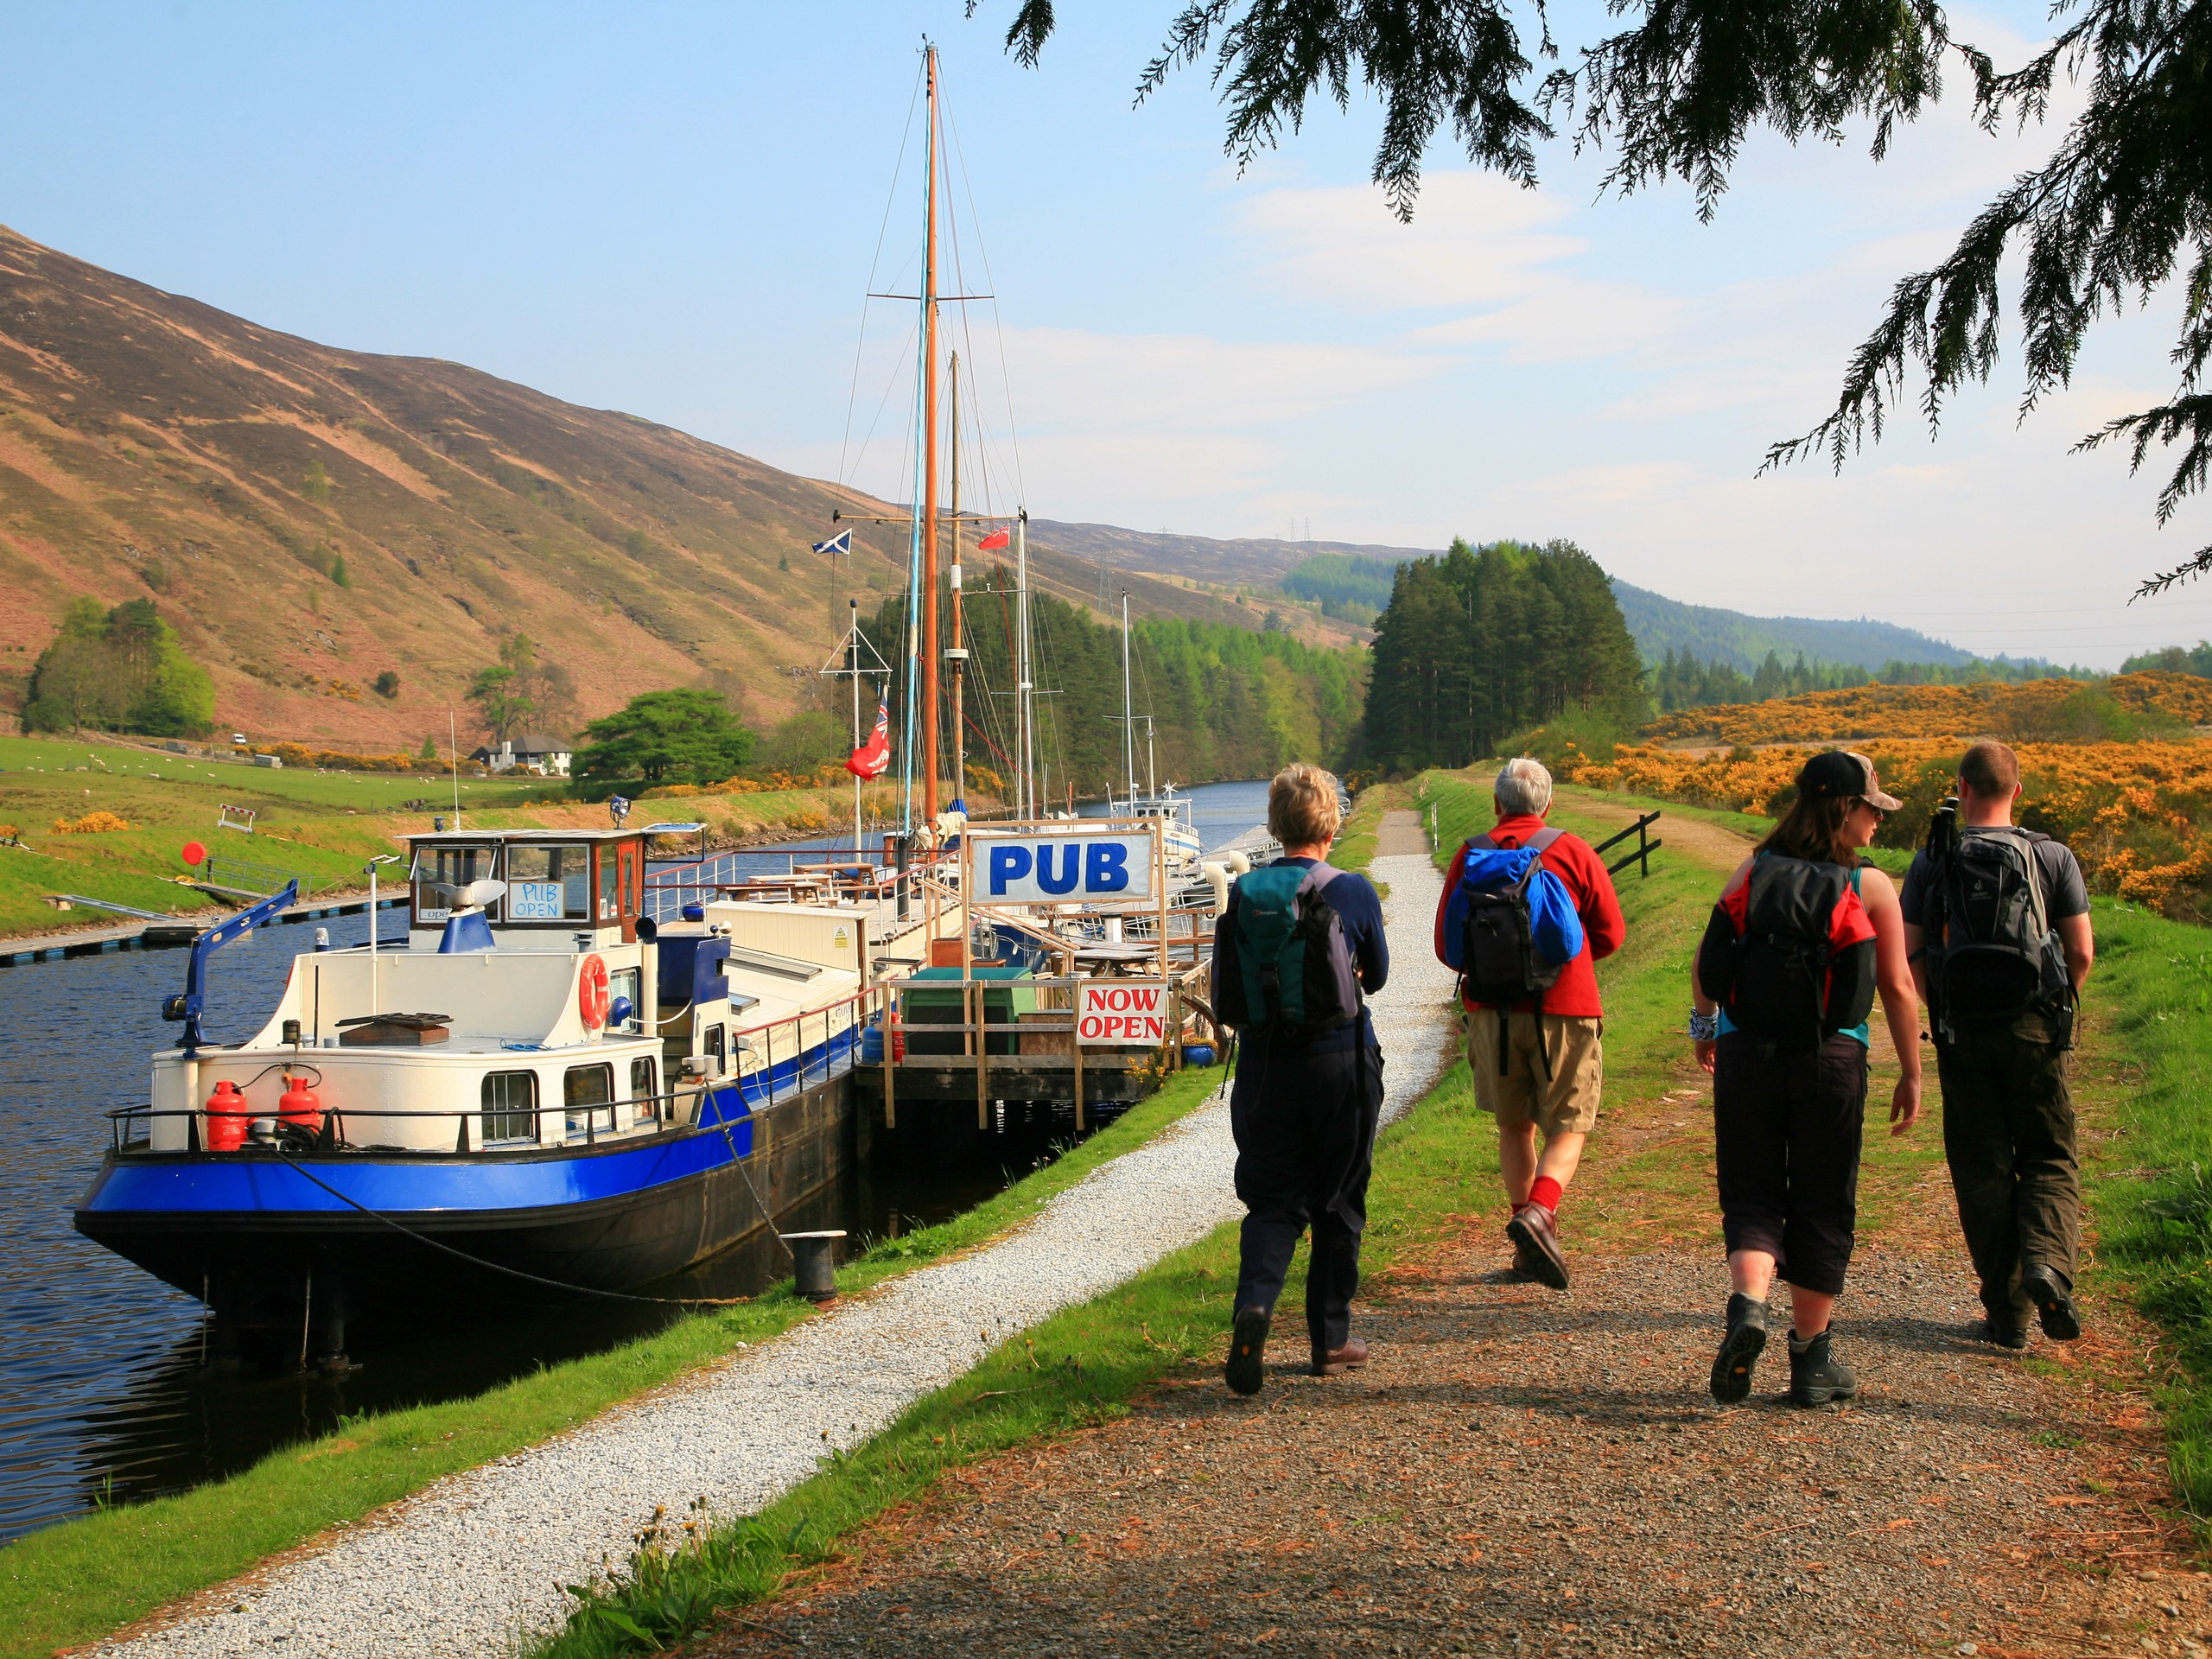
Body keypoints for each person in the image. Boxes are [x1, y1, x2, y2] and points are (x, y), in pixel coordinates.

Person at [1692, 750, 1923, 1407]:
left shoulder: (1754, 868)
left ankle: (1747, 1308)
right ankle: (1810, 1362)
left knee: (1753, 1196)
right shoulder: (1870, 886)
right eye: (1872, 810)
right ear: (1844, 808)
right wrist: (1912, 1071)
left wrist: (1705, 1032)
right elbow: (1900, 988)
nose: (1878, 822)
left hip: (1745, 1056)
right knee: (1821, 1201)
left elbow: (1707, 964)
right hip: (1831, 1059)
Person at [1902, 740, 2094, 1347]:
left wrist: (1942, 1009)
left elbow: (1907, 956)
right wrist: (2054, 1002)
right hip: (2035, 1025)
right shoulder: (2051, 856)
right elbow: (2082, 952)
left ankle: (2007, 1319)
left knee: (1982, 1169)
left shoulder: (1934, 859)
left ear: (1961, 787)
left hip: (1962, 1031)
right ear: (2018, 791)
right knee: (2048, 1155)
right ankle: (2047, 1264)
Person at [1214, 763, 1389, 1395]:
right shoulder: (1353, 891)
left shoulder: (1244, 895)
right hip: (1339, 1061)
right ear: (1331, 824)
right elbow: (1379, 977)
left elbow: (1227, 986)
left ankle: (1255, 1305)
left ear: (1275, 823)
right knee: (1338, 1198)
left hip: (1263, 1067)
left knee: (1272, 1200)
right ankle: (1330, 1338)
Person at [1433, 757, 1625, 1290]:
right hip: (1565, 1009)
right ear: (1546, 805)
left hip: (1491, 1015)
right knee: (1570, 1125)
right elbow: (1610, 934)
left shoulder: (1470, 854)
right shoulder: (1571, 849)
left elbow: (1447, 948)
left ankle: (1527, 1249)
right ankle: (1539, 1214)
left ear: (1497, 804)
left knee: (1515, 1128)